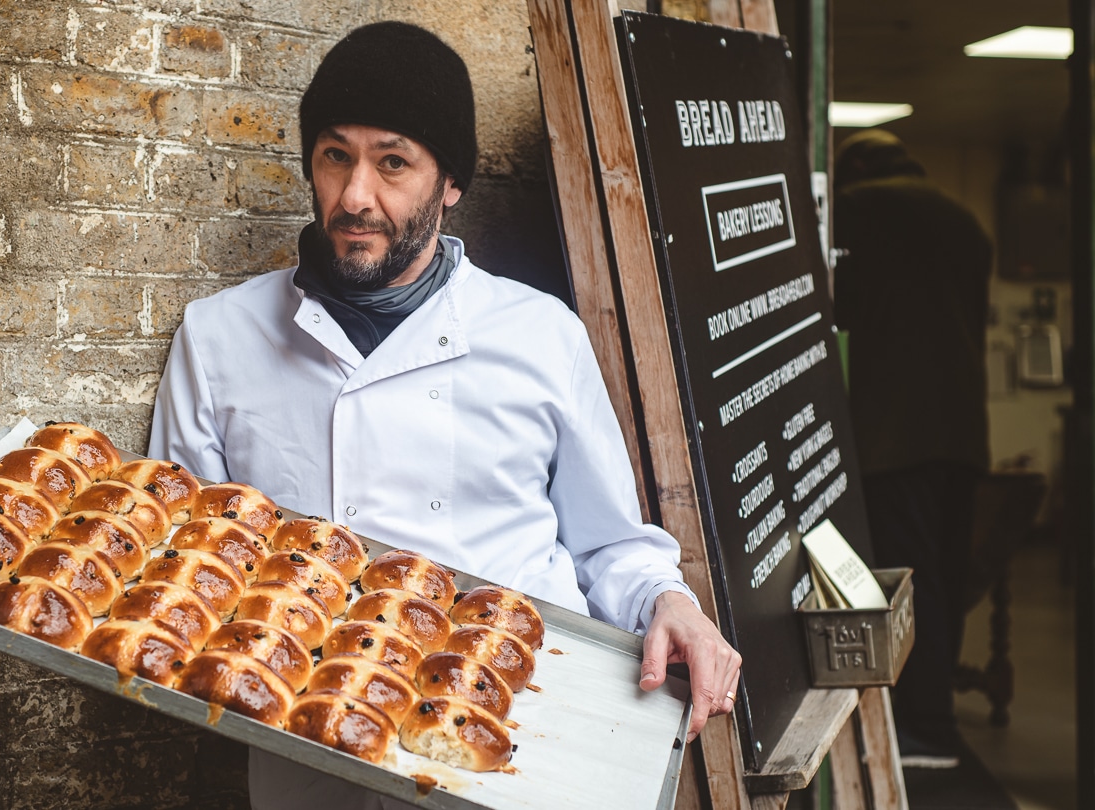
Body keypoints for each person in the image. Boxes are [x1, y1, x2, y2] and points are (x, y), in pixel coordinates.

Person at [148, 21, 741, 808]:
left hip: (521, 737)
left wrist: (673, 605)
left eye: (393, 162)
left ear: (450, 183)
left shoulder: (540, 334)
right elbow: (186, 555)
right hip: (311, 746)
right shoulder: (220, 335)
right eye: (335, 156)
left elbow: (611, 547)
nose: (356, 195)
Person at [833, 129, 992, 769]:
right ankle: (938, 715)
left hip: (891, 431)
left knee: (906, 579)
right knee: (948, 574)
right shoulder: (965, 220)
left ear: (858, 165)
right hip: (963, 431)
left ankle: (922, 726)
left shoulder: (856, 209)